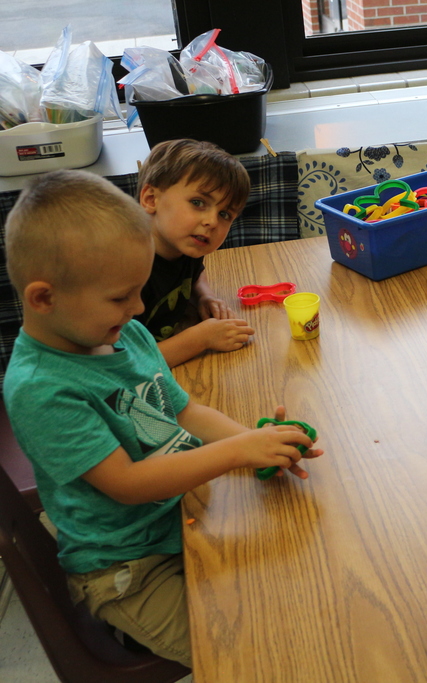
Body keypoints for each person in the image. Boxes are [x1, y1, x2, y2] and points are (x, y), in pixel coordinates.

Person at [2, 170, 323, 666]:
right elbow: (128, 484)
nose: (138, 308)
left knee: (297, 593)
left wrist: (261, 442)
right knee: (255, 655)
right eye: (120, 297)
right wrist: (237, 451)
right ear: (44, 298)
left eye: (139, 290)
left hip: (178, 520)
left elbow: (186, 410)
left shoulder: (122, 333)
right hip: (127, 570)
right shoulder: (41, 388)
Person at [136, 138, 255, 367]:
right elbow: (122, 366)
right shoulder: (122, 272)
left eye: (224, 214)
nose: (211, 221)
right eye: (198, 202)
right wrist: (201, 338)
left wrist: (203, 295)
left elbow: (196, 271)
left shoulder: (184, 244)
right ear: (151, 199)